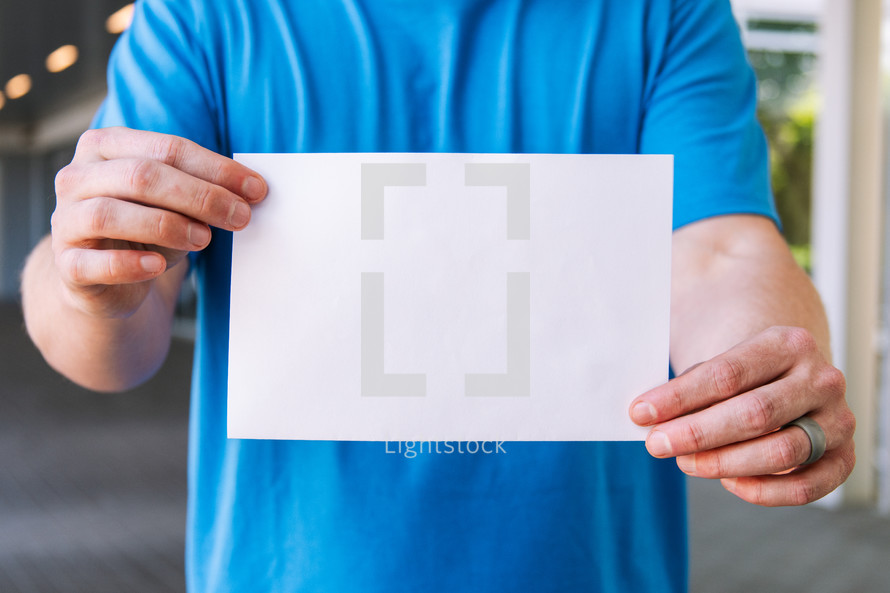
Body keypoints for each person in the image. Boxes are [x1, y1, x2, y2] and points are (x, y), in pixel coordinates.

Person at [21, 0, 854, 591]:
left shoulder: (661, 10)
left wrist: (760, 371)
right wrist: (82, 282)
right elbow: (118, 335)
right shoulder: (206, 14)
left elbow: (720, 249)